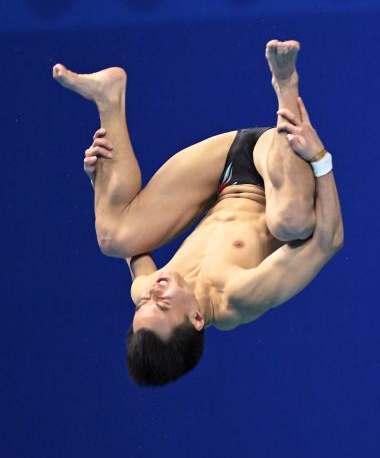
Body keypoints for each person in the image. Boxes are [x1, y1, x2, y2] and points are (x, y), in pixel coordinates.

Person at [53, 40, 344, 386]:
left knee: (113, 239)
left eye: (143, 303)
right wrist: (320, 159)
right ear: (195, 319)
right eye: (161, 304)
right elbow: (328, 241)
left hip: (220, 168)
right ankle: (285, 83)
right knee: (291, 223)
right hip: (277, 165)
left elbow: (128, 244)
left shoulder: (146, 288)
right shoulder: (239, 296)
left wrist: (100, 183)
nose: (153, 290)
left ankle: (109, 98)